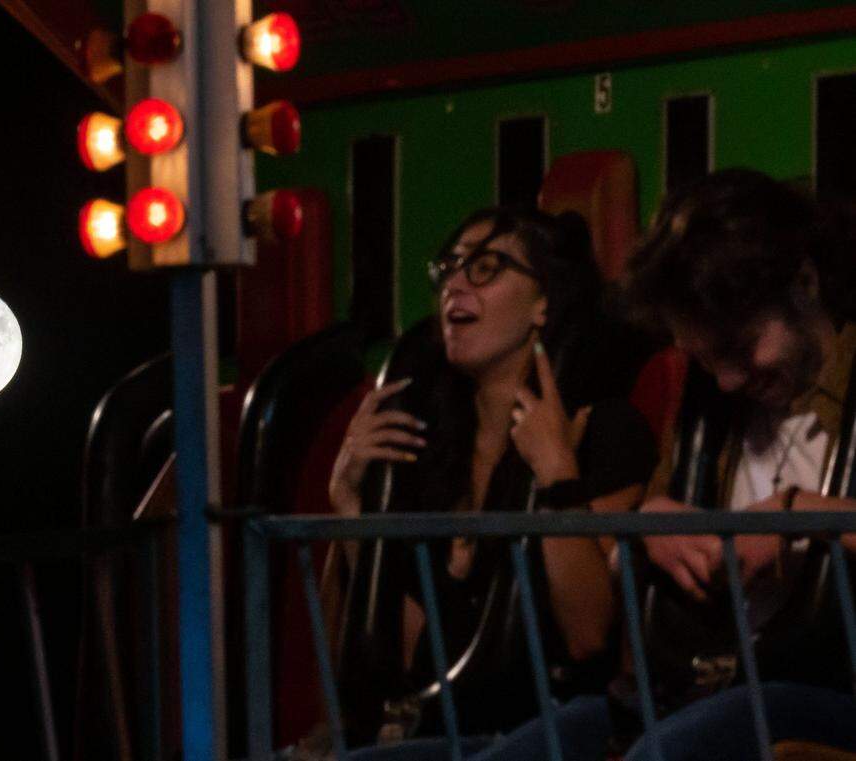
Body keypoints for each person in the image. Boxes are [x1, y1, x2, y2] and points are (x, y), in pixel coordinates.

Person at [465, 169, 856, 761]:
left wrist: (797, 515)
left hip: (827, 686)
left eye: (738, 347)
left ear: (803, 282)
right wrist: (651, 522)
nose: (725, 380)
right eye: (703, 358)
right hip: (705, 680)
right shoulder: (710, 409)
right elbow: (640, 540)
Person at [323, 207, 658, 752]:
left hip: (561, 723)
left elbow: (588, 635)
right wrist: (347, 503)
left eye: (485, 267)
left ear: (543, 303)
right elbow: (410, 651)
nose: (456, 282)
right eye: (450, 267)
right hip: (457, 726)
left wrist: (558, 478)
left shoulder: (604, 430)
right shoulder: (426, 448)